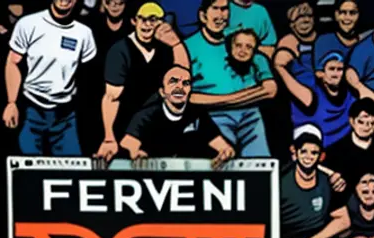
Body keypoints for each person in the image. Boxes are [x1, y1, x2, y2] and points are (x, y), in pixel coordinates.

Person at [95, 3, 188, 160]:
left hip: (157, 127)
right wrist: (109, 138)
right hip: (126, 126)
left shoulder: (166, 50)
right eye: (142, 19)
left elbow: (183, 77)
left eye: (153, 19)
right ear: (134, 21)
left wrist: (176, 44)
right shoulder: (120, 51)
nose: (147, 24)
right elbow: (112, 97)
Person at [4, 0, 97, 156]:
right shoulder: (28, 23)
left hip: (65, 115)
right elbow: (12, 62)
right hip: (31, 109)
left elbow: (88, 76)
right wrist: (11, 102)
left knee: (72, 171)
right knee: (28, 172)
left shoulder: (84, 33)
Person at [188, 0, 278, 157]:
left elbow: (270, 89)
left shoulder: (239, 40)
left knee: (259, 169)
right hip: (213, 118)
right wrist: (236, 98)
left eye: (224, 9)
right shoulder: (188, 47)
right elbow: (188, 97)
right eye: (215, 8)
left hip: (250, 117)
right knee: (222, 168)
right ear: (203, 15)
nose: (220, 14)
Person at [121, 64, 235, 162]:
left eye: (185, 83)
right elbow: (128, 144)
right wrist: (136, 153)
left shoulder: (197, 114)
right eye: (173, 81)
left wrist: (226, 153)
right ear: (162, 92)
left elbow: (223, 146)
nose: (179, 87)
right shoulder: (146, 115)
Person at [322, 97, 374, 197]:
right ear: (351, 121)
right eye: (361, 122)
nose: (366, 127)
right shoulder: (334, 152)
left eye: (372, 123)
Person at [278, 124, 336, 238]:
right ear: (295, 152)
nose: (308, 157)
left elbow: (343, 220)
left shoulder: (327, 181)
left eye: (314, 152)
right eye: (304, 151)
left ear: (320, 156)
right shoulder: (280, 180)